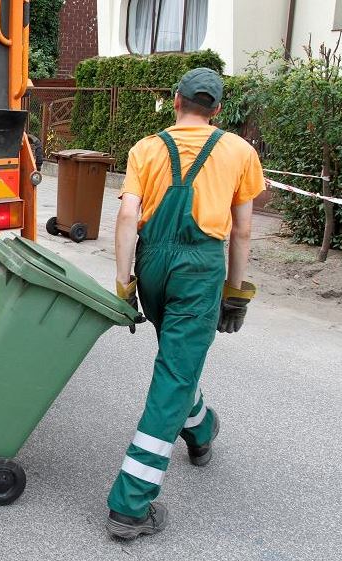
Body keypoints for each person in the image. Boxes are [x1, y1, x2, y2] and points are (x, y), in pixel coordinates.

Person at [105, 68, 263, 539]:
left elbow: (128, 215)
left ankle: (201, 429)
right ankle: (131, 504)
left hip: (152, 264)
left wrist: (123, 281)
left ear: (175, 101)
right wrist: (235, 293)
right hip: (199, 269)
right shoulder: (239, 151)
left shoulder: (146, 148)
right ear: (216, 109)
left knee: (178, 358)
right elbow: (243, 230)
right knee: (175, 371)